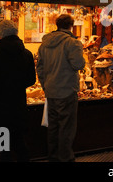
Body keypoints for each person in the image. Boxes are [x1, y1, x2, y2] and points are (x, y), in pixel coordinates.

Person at [0, 20, 36, 162]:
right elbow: (31, 80)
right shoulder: (27, 54)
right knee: (21, 146)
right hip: (18, 109)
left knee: (3, 150)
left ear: (0, 35)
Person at [36, 14, 85, 162]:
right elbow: (79, 65)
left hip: (51, 91)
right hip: (67, 91)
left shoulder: (44, 44)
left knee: (53, 127)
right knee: (66, 128)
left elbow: (40, 68)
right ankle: (66, 158)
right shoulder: (72, 43)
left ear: (57, 25)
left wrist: (46, 86)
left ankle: (53, 157)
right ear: (71, 26)